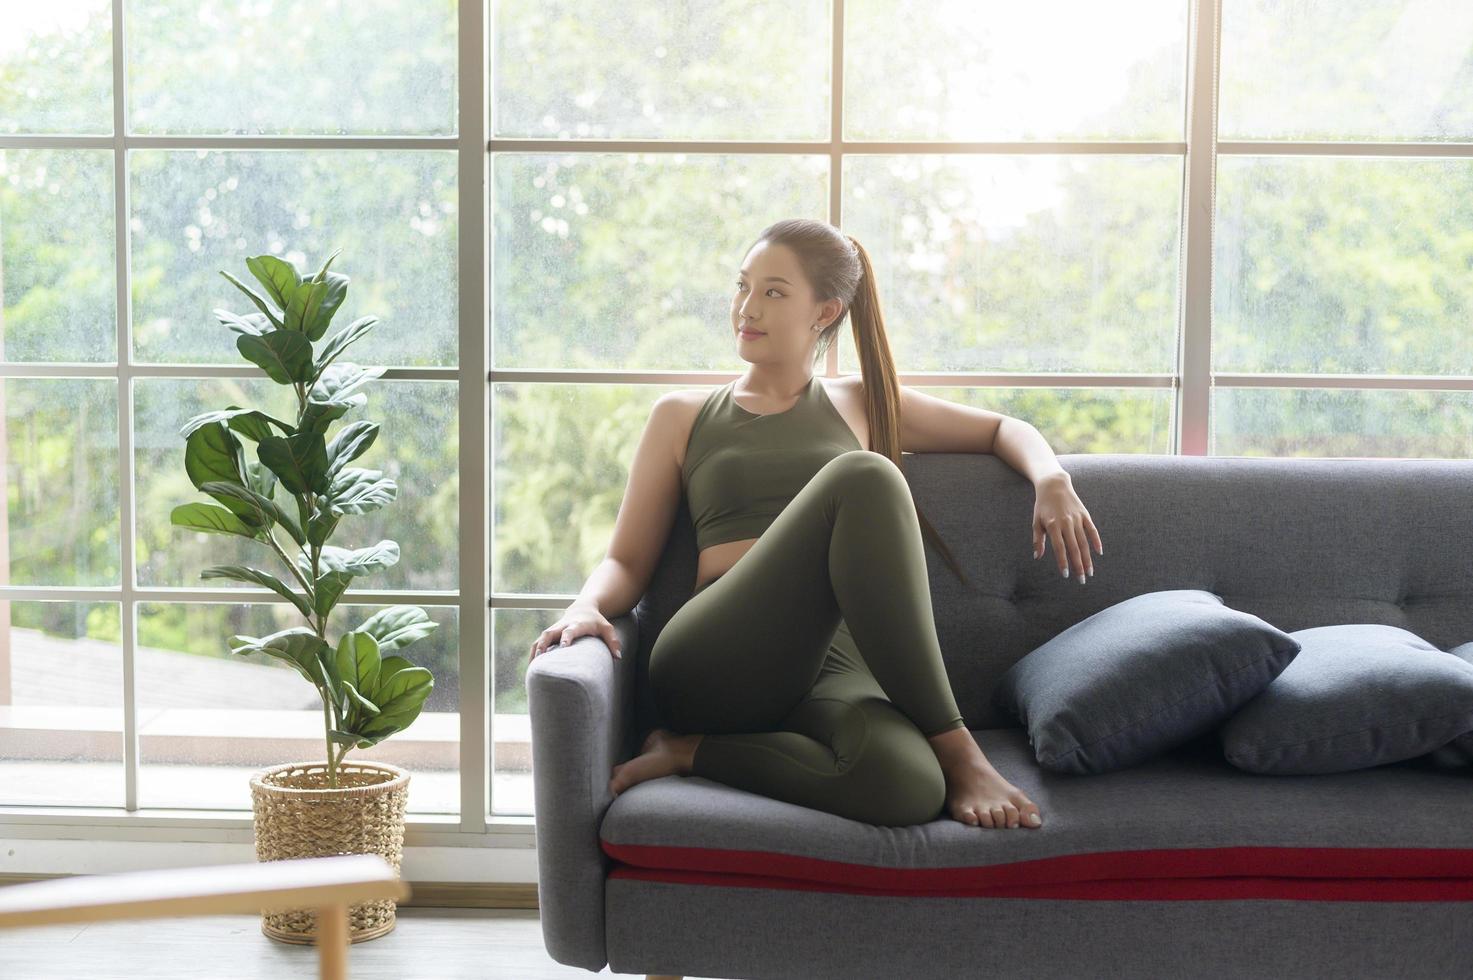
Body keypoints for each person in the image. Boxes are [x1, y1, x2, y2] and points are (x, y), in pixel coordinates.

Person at [529, 218, 1103, 829]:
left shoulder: (863, 401)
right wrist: (585, 605)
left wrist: (1051, 478)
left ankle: (687, 752)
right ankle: (961, 749)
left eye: (774, 292)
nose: (747, 308)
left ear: (824, 312)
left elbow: (1001, 428)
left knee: (905, 786)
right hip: (720, 655)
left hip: (832, 664)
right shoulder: (681, 415)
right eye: (743, 286)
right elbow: (627, 561)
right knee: (866, 475)